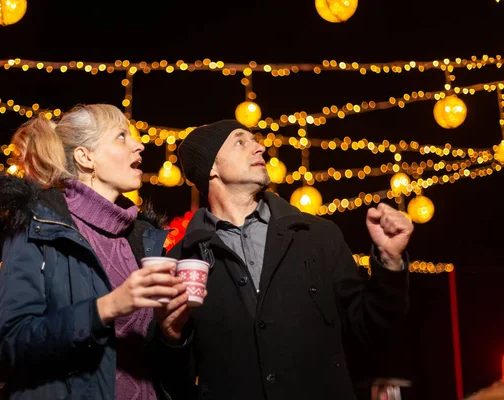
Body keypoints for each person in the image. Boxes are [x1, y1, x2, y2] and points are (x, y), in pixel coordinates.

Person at [158, 119, 414, 400]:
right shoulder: (182, 260)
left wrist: (390, 260)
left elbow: (371, 328)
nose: (260, 147)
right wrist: (172, 337)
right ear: (212, 168)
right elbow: (174, 382)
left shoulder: (317, 235)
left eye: (255, 140)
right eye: (241, 142)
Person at [0, 104, 187, 400]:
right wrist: (105, 308)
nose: (140, 144)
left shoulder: (142, 239)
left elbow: (147, 360)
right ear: (86, 157)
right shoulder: (40, 227)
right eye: (122, 136)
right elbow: (13, 342)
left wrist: (171, 334)